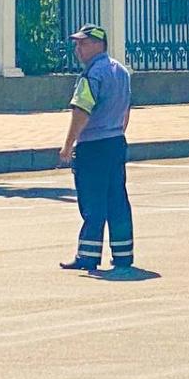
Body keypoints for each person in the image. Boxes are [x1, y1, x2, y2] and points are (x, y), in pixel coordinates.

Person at [58, 24, 135, 273]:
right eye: (77, 44)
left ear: (98, 45)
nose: (77, 49)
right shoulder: (121, 71)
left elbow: (81, 110)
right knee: (117, 199)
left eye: (83, 43)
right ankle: (123, 254)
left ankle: (88, 255)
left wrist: (68, 145)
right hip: (115, 142)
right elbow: (126, 109)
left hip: (93, 145)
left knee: (93, 201)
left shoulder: (92, 75)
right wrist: (118, 133)